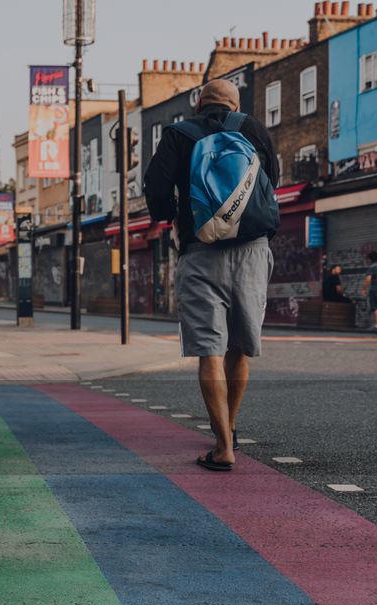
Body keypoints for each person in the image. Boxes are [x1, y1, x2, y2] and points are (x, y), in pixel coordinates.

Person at [143, 77, 278, 472]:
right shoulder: (254, 130)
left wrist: (172, 216)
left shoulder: (178, 134)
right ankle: (230, 427)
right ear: (235, 104)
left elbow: (155, 191)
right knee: (239, 348)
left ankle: (222, 446)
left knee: (210, 352)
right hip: (252, 251)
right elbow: (274, 186)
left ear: (198, 104)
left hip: (201, 252)